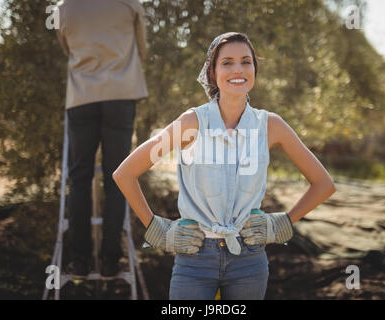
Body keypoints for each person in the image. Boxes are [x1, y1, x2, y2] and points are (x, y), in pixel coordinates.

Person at [113, 32, 336, 299]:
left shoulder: (271, 126)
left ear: (255, 68)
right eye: (227, 63)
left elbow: (323, 184)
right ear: (212, 72)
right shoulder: (191, 123)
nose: (238, 69)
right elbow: (125, 173)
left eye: (246, 61)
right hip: (194, 259)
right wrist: (159, 231)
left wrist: (281, 225)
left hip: (249, 261)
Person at [55, 0, 148, 279]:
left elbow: (66, 47)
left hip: (82, 96)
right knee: (118, 178)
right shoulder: (130, 3)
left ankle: (80, 260)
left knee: (79, 178)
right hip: (121, 94)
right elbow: (141, 46)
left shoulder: (64, 8)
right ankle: (110, 260)